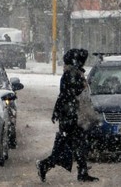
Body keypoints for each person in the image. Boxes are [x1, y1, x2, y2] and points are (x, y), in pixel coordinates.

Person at [36, 48, 99, 183]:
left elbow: (65, 96)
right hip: (72, 116)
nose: (83, 63)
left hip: (72, 115)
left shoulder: (73, 73)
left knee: (75, 145)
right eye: (82, 60)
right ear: (76, 61)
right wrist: (64, 113)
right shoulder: (71, 74)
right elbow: (67, 95)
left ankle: (81, 172)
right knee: (71, 145)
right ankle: (45, 165)